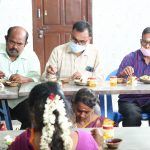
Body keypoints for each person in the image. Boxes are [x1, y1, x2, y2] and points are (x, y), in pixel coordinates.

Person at [9, 82, 103, 150]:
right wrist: (99, 146)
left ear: (32, 114)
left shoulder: (22, 141)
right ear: (66, 108)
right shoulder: (85, 139)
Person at [0, 26, 41, 129]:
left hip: (21, 100)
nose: (15, 47)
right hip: (0, 100)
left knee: (34, 117)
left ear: (25, 44)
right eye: (12, 42)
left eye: (19, 44)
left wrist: (26, 79)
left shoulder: (31, 56)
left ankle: (22, 141)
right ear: (6, 39)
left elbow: (37, 77)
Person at [117, 27, 150, 126]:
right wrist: (122, 74)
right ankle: (131, 141)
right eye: (145, 42)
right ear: (141, 41)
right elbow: (115, 81)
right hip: (129, 100)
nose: (147, 46)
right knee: (133, 115)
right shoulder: (130, 58)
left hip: (148, 99)